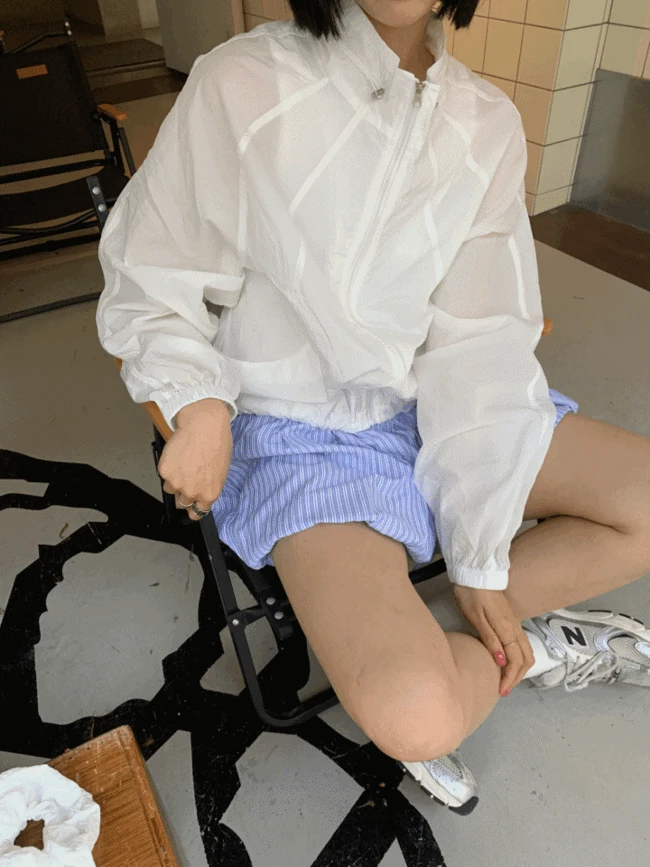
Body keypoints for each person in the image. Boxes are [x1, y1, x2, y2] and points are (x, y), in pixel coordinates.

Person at [96, 0, 650, 814]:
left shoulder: (485, 121)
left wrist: (481, 555)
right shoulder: (242, 82)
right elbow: (151, 277)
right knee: (418, 715)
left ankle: (423, 628)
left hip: (436, 405)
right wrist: (199, 402)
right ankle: (524, 647)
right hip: (299, 433)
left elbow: (479, 341)